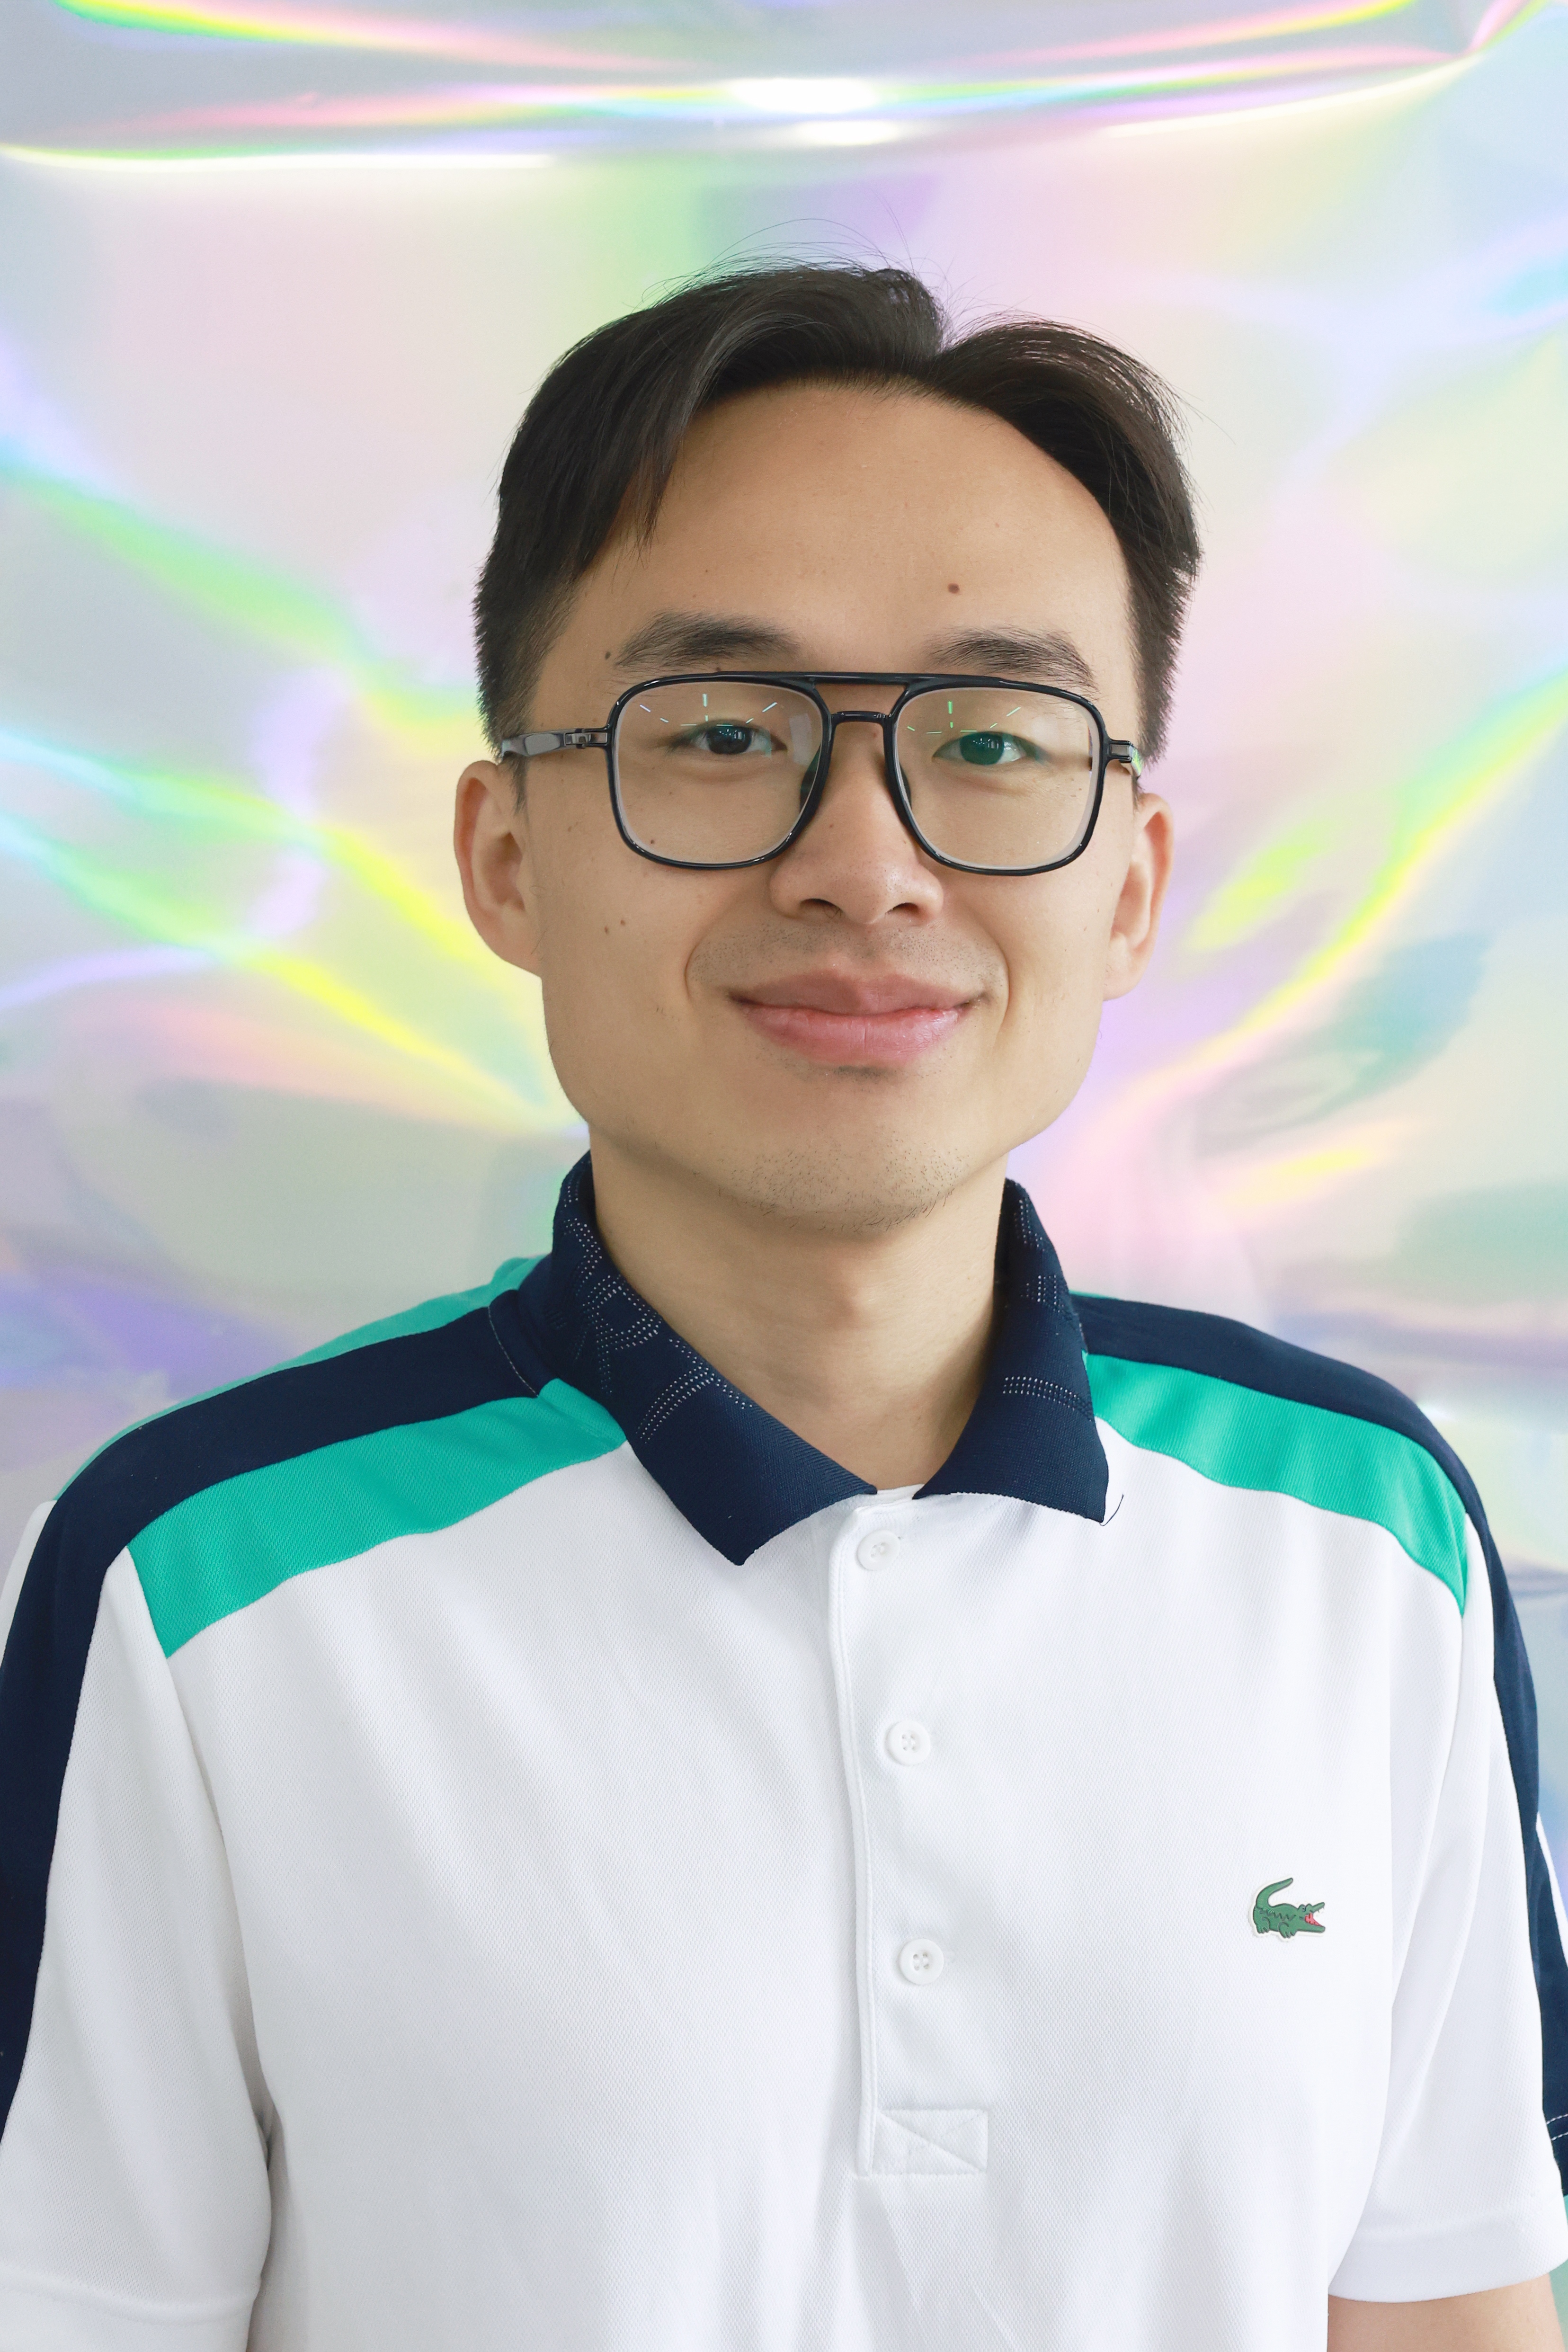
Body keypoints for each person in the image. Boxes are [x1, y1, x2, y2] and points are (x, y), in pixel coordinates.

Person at [0, 263, 1562, 2352]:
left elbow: (1450, 2307)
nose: (864, 864)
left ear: (1129, 879)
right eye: (725, 735)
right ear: (506, 853)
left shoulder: (1366, 1532)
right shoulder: (198, 1579)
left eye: (991, 744)